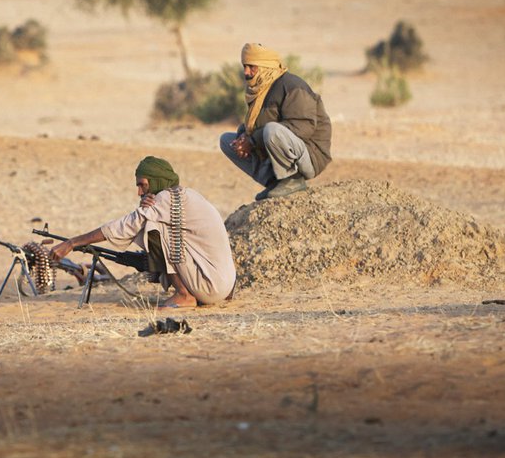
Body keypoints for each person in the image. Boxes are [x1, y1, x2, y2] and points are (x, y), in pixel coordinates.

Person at [48, 156, 236, 309]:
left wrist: (72, 243)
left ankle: (184, 295)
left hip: (209, 286)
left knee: (153, 227)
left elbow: (125, 225)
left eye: (143, 185)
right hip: (224, 286)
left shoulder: (166, 198)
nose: (139, 192)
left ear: (156, 181)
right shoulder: (185, 195)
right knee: (151, 222)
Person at [220, 42, 332, 200]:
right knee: (226, 141)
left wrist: (252, 141)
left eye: (252, 67)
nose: (246, 72)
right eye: (244, 66)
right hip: (281, 150)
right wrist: (244, 136)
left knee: (272, 131)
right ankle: (274, 182)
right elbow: (257, 123)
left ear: (265, 66)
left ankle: (292, 180)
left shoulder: (292, 86)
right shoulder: (261, 88)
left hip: (310, 155)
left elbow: (303, 127)